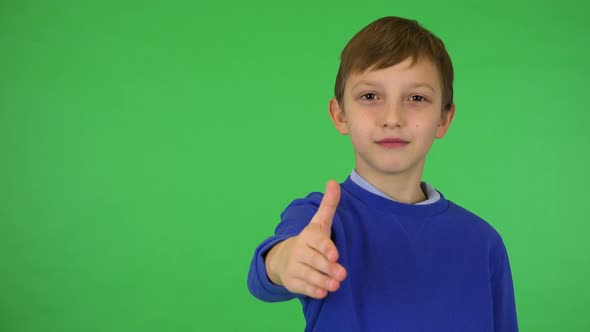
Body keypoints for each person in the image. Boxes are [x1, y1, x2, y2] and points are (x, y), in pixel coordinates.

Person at [247, 16, 518, 332]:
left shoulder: (484, 243)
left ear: (444, 118)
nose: (393, 117)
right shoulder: (319, 220)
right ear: (340, 115)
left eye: (416, 98)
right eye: (370, 96)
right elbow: (268, 269)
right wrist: (286, 261)